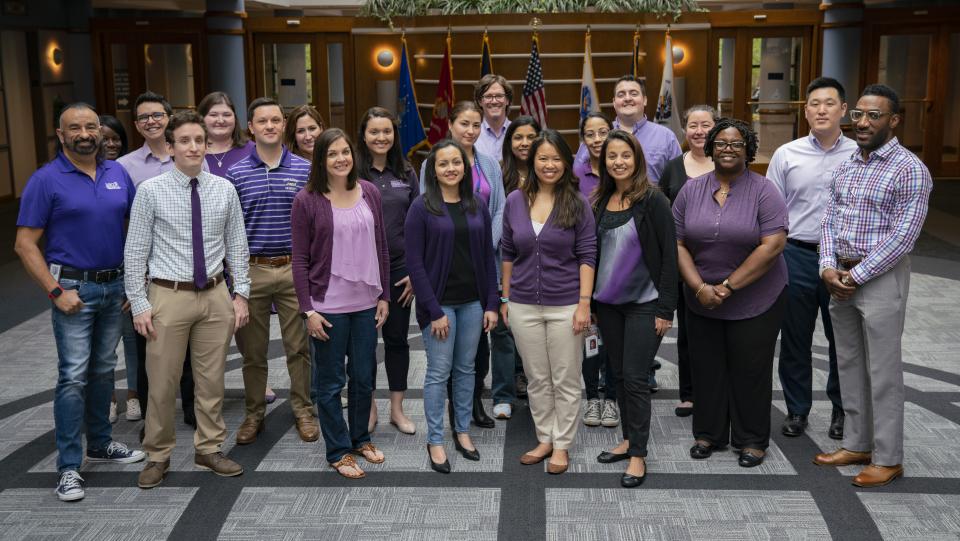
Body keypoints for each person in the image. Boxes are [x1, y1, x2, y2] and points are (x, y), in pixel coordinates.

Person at [16, 103, 146, 502]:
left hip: (114, 287)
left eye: (91, 126)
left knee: (105, 370)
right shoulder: (46, 180)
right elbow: (24, 244)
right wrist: (55, 293)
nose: (85, 133)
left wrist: (132, 284)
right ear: (61, 134)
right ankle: (69, 466)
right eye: (76, 128)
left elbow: (134, 228)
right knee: (73, 376)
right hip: (73, 290)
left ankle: (100, 444)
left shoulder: (116, 173)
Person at [813, 84, 932, 488]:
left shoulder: (910, 169)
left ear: (894, 120)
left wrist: (854, 276)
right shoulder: (847, 164)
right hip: (839, 278)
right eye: (859, 115)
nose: (862, 122)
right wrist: (828, 268)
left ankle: (888, 457)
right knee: (848, 365)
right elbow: (828, 221)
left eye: (873, 116)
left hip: (879, 278)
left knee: (883, 371)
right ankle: (857, 443)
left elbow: (903, 237)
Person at [125, 110, 250, 489]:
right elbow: (135, 252)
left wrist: (240, 293)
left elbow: (237, 245)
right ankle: (158, 455)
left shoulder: (224, 189)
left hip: (214, 295)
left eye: (199, 140)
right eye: (184, 141)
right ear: (171, 146)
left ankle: (208, 449)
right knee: (161, 383)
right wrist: (139, 301)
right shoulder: (151, 191)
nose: (193, 146)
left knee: (211, 381)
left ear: (207, 145)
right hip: (167, 295)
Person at [673, 118, 788, 468]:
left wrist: (726, 286)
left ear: (748, 150)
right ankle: (708, 433)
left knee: (749, 368)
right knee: (706, 366)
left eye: (736, 143)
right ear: (710, 148)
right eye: (720, 143)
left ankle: (751, 439)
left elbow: (772, 246)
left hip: (756, 298)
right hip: (701, 296)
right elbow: (676, 243)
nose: (727, 149)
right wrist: (698, 287)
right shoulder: (691, 190)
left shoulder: (764, 190)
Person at [291, 129, 391, 479]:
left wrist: (384, 295)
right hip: (328, 306)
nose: (340, 159)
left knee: (364, 377)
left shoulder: (371, 193)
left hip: (366, 303)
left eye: (345, 151)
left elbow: (381, 247)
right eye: (332, 153)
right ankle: (338, 450)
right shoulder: (307, 199)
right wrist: (309, 310)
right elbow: (300, 260)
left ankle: (360, 437)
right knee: (331, 384)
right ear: (321, 159)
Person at [501, 129, 597, 475]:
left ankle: (562, 445)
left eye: (556, 158)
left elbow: (588, 254)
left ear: (566, 162)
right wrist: (505, 297)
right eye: (543, 158)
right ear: (532, 160)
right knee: (537, 377)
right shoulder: (515, 200)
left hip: (566, 304)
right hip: (524, 304)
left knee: (566, 377)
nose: (549, 164)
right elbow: (508, 252)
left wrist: (584, 304)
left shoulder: (578, 202)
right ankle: (544, 437)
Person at [767, 78, 857, 440]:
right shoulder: (786, 154)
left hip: (845, 260)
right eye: (814, 104)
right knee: (795, 339)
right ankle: (797, 409)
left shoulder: (859, 154)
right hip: (797, 255)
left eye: (829, 103)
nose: (821, 110)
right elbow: (771, 212)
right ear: (805, 111)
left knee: (844, 340)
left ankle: (841, 410)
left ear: (843, 110)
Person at [225, 97, 318, 445]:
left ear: (284, 126)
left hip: (295, 269)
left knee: (299, 348)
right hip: (252, 271)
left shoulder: (304, 170)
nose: (269, 126)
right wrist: (234, 282)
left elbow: (314, 225)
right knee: (253, 351)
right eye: (262, 121)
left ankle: (303, 411)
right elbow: (229, 231)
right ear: (250, 127)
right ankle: (254, 415)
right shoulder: (235, 174)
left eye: (276, 120)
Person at [405, 140, 499, 473]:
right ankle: (435, 439)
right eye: (443, 163)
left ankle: (461, 430)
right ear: (433, 169)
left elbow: (488, 258)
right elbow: (414, 263)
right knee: (438, 373)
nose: (450, 168)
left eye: (456, 163)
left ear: (465, 167)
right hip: (440, 306)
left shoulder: (477, 205)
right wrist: (434, 311)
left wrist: (491, 303)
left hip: (474, 303)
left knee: (466, 371)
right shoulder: (422, 207)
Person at [591, 129, 678, 487]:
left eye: (625, 155)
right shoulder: (600, 201)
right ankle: (628, 439)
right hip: (608, 306)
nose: (618, 162)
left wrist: (666, 310)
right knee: (620, 375)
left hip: (646, 305)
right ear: (604, 161)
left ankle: (639, 455)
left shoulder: (653, 200)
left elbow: (670, 258)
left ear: (637, 159)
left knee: (636, 377)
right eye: (612, 156)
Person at [420, 101, 505, 428]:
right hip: (446, 263)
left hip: (483, 262)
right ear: (451, 125)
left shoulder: (489, 165)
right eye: (464, 124)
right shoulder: (435, 162)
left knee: (477, 343)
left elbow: (497, 209)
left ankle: (472, 404)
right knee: (445, 350)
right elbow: (425, 209)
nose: (469, 131)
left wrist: (485, 243)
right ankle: (451, 415)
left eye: (475, 125)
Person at [117, 91, 198, 429]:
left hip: (191, 270)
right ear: (136, 125)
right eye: (143, 117)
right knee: (150, 351)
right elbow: (123, 224)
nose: (151, 121)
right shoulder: (125, 167)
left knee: (193, 352)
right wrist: (133, 282)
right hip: (150, 273)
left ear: (168, 118)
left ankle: (193, 411)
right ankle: (153, 421)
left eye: (157, 115)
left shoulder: (192, 157)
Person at [356, 107, 420, 435]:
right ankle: (369, 408)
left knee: (397, 340)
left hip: (399, 271)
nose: (381, 137)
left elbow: (419, 224)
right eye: (374, 132)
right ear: (363, 136)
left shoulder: (407, 172)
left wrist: (414, 270)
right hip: (362, 273)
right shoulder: (351, 172)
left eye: (387, 132)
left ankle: (397, 409)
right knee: (364, 343)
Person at [658, 104, 718, 418]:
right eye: (692, 125)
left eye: (705, 124)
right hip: (683, 263)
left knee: (721, 330)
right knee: (688, 331)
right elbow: (663, 216)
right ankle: (690, 394)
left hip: (722, 263)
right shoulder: (672, 167)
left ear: (715, 127)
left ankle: (719, 390)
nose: (698, 131)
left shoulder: (728, 165)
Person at [489, 116, 542, 418]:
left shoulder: (548, 171)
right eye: (518, 137)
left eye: (530, 136)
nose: (524, 143)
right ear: (509, 143)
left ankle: (536, 389)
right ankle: (503, 394)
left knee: (535, 334)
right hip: (504, 266)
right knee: (503, 333)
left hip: (539, 270)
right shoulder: (500, 176)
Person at [573, 112, 620, 428]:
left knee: (615, 340)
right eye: (590, 134)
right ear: (583, 139)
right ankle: (591, 398)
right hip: (587, 269)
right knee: (590, 338)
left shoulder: (622, 171)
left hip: (620, 272)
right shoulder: (574, 175)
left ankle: (613, 399)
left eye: (603, 131)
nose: (598, 139)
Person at [98, 113, 138, 424]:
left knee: (132, 336)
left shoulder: (121, 173)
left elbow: (135, 223)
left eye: (116, 138)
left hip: (128, 267)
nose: (111, 143)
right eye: (105, 137)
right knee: (103, 342)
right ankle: (109, 397)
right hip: (95, 270)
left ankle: (134, 395)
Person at [575, 75, 681, 185]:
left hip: (653, 201)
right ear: (614, 102)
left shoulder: (666, 137)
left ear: (644, 100)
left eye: (633, 94)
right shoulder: (598, 135)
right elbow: (578, 174)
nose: (627, 98)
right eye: (621, 95)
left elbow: (678, 180)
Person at [199, 91, 254, 177]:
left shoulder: (253, 150)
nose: (220, 120)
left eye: (227, 115)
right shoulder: (193, 153)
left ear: (235, 118)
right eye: (213, 115)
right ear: (201, 119)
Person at [474, 74, 513, 160]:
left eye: (499, 96)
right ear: (480, 101)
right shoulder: (471, 134)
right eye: (488, 96)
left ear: (507, 100)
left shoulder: (517, 131)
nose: (494, 101)